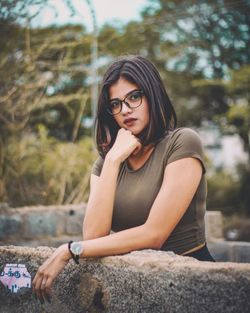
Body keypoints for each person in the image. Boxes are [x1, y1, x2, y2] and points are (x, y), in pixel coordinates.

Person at [32, 55, 215, 302]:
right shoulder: (107, 162)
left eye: (134, 97)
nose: (125, 110)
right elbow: (94, 238)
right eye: (115, 104)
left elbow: (154, 234)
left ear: (153, 95)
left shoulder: (182, 143)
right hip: (135, 288)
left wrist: (69, 250)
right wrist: (112, 160)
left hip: (189, 287)